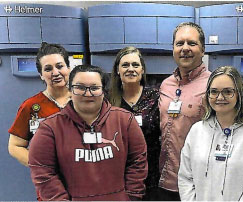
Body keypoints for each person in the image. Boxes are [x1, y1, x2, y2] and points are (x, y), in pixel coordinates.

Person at [28, 64, 148, 201]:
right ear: (70, 89)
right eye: (80, 88)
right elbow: (43, 172)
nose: (88, 93)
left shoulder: (125, 121)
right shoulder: (49, 128)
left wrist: (131, 198)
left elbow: (138, 162)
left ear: (103, 90)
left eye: (94, 88)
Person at [178, 66, 243, 201]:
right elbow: (185, 178)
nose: (220, 97)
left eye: (228, 92)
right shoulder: (197, 130)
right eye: (214, 92)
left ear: (239, 94)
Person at [8, 42, 71, 200]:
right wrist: (41, 167)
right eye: (48, 69)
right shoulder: (31, 106)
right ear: (41, 75)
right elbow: (15, 146)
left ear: (68, 68)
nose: (55, 72)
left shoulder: (85, 100)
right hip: (50, 190)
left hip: (86, 184)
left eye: (60, 66)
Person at [158, 22, 211, 200]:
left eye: (192, 43)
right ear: (173, 49)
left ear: (203, 50)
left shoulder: (214, 85)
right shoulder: (166, 84)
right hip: (166, 179)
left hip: (198, 183)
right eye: (179, 43)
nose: (185, 48)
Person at [109, 46, 161, 201]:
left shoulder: (156, 97)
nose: (130, 69)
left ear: (142, 70)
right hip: (117, 175)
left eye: (135, 65)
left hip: (151, 176)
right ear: (117, 70)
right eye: (125, 65)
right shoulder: (107, 100)